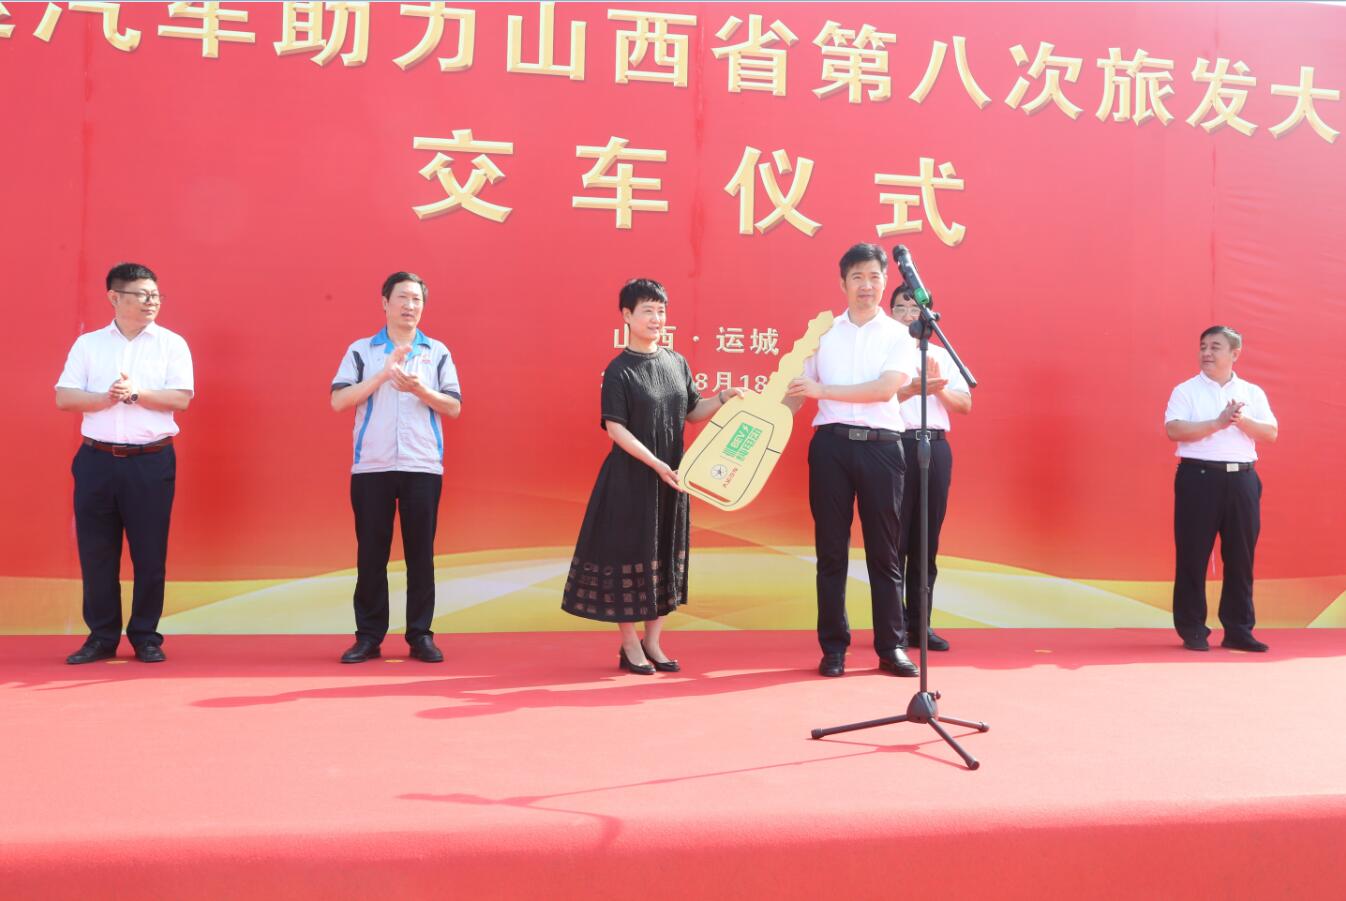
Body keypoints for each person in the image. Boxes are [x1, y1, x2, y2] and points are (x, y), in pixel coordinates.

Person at [561, 278, 743, 674]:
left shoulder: (676, 362)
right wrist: (656, 464)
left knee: (663, 558)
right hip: (630, 481)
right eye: (648, 310)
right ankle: (630, 644)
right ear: (627, 316)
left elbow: (692, 412)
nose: (656, 318)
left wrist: (722, 398)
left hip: (672, 480)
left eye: (661, 311)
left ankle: (654, 642)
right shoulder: (619, 371)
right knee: (629, 559)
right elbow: (616, 429)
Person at [785, 244, 919, 678]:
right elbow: (796, 391)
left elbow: (884, 389)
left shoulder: (898, 335)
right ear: (842, 282)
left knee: (885, 552)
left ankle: (891, 646)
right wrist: (760, 415)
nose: (867, 285)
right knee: (831, 552)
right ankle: (833, 648)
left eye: (874, 277)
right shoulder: (822, 332)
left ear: (885, 281)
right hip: (832, 448)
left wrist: (822, 392)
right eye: (858, 277)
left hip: (883, 448)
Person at [55, 262, 194, 664]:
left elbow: (181, 398)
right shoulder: (89, 345)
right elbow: (64, 397)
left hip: (149, 462)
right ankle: (101, 637)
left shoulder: (171, 344)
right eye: (142, 295)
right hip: (96, 460)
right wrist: (104, 399)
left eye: (156, 295)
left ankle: (146, 636)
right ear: (114, 297)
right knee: (97, 553)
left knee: (149, 554)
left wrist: (135, 394)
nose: (152, 302)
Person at [331, 272, 461, 664]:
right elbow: (339, 401)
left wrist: (420, 389)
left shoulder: (436, 351)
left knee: (421, 555)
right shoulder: (362, 351)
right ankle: (368, 636)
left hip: (422, 465)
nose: (410, 305)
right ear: (385, 302)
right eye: (402, 297)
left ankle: (420, 635)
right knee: (371, 555)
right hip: (372, 466)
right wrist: (383, 375)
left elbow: (454, 406)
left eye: (417, 299)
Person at [1164, 325, 1278, 652]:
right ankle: (1192, 629)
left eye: (1215, 347)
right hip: (1198, 478)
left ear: (1234, 354)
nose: (1206, 353)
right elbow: (1174, 430)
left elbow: (1270, 433)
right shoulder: (1186, 390)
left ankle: (1239, 630)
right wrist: (1218, 422)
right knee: (1193, 555)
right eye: (1203, 347)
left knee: (1241, 557)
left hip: (1242, 479)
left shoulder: (1251, 392)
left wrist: (1240, 420)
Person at [891, 285, 971, 651]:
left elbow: (964, 405)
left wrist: (936, 388)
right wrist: (912, 389)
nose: (908, 315)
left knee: (926, 542)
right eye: (900, 308)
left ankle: (920, 625)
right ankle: (892, 629)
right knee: (894, 541)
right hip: (893, 445)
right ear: (890, 313)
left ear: (928, 316)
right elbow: (872, 400)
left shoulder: (941, 354)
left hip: (935, 446)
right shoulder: (883, 354)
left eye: (915, 309)